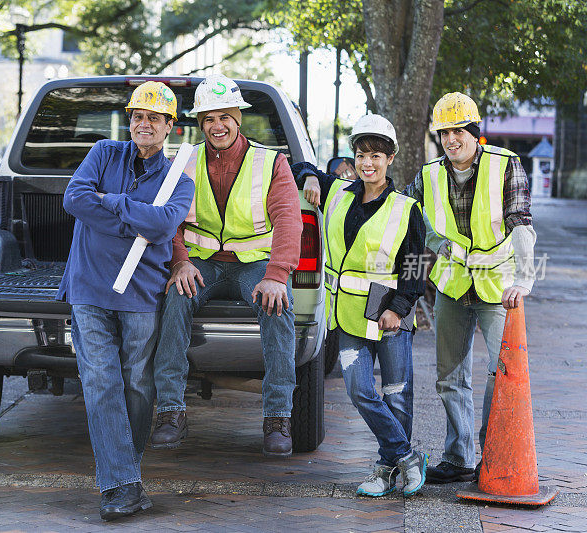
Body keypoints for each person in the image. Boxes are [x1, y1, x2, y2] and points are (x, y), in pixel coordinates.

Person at [57, 81, 194, 520]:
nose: (144, 124)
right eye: (138, 116)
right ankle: (121, 485)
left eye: (154, 118)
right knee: (101, 382)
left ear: (169, 126)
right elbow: (75, 199)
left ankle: (125, 478)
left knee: (137, 383)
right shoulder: (102, 153)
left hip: (140, 292)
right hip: (88, 285)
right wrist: (133, 219)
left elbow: (164, 224)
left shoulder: (180, 180)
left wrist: (112, 203)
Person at [149, 73, 303, 457]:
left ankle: (278, 419)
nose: (216, 126)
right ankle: (169, 412)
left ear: (238, 117)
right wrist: (180, 263)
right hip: (201, 264)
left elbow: (288, 219)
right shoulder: (183, 162)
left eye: (224, 117)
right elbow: (169, 220)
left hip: (254, 265)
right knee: (175, 301)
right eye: (208, 119)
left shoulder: (272, 163)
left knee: (279, 306)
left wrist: (276, 276)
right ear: (200, 124)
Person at [404, 92, 536, 484]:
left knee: (502, 374)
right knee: (450, 375)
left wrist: (523, 280)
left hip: (498, 284)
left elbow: (521, 222)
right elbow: (402, 210)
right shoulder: (428, 175)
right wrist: (432, 241)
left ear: (473, 132)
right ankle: (459, 457)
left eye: (458, 130)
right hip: (452, 283)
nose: (451, 139)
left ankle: (492, 456)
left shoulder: (504, 165)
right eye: (444, 132)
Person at [293, 114, 429, 497]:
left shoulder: (406, 208)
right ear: (353, 159)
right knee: (359, 390)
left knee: (397, 392)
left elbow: (417, 264)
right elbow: (296, 164)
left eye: (376, 156)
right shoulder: (337, 191)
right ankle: (406, 456)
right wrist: (308, 177)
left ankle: (386, 469)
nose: (368, 163)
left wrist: (399, 309)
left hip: (390, 317)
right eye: (362, 155)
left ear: (390, 159)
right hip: (350, 317)